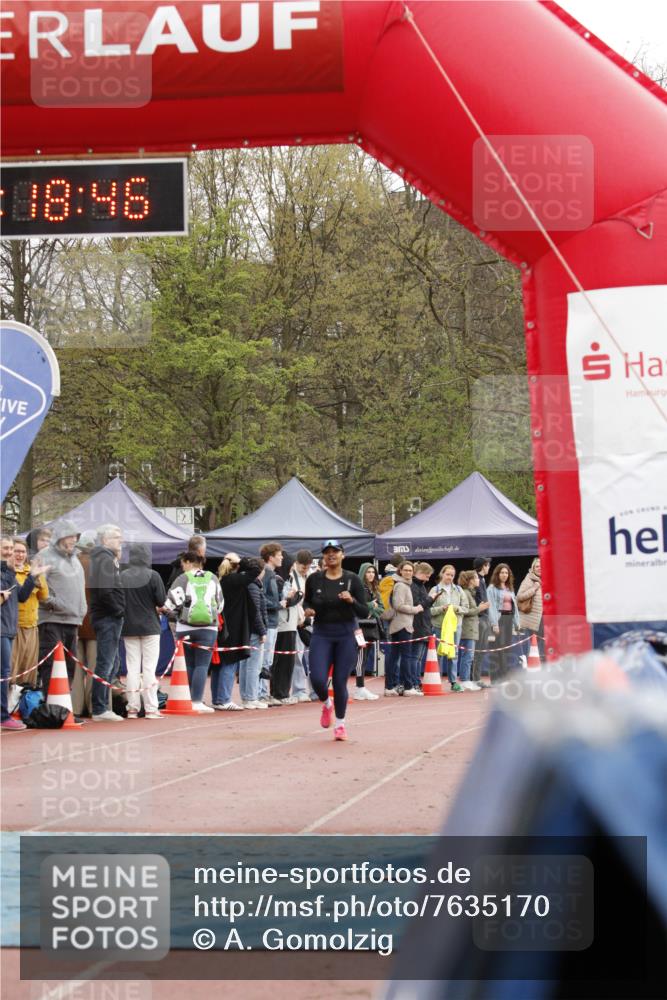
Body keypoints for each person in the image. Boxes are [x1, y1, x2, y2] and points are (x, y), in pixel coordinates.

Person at [303, 539, 368, 741]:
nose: (331, 555)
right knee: (318, 679)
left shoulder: (353, 580)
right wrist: (307, 609)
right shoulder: (314, 579)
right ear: (323, 556)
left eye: (335, 551)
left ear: (343, 555)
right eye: (327, 552)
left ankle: (340, 724)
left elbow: (365, 611)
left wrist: (352, 600)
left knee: (340, 682)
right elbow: (307, 600)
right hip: (322, 632)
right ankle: (327, 704)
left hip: (346, 633)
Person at [163, 550, 223, 712]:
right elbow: (220, 604)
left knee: (188, 664)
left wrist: (176, 614)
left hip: (185, 627)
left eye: (183, 563)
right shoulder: (213, 578)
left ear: (189, 562)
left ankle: (186, 698)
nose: (182, 567)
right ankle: (197, 701)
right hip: (209, 628)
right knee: (202, 665)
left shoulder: (182, 579)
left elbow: (170, 604)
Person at [36, 520, 87, 697]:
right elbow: (38, 587)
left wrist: (81, 609)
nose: (74, 540)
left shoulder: (75, 559)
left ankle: (64, 708)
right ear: (60, 537)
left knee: (69, 666)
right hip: (52, 620)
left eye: (75, 536)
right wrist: (57, 604)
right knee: (52, 666)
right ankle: (52, 708)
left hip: (73, 620)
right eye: (70, 536)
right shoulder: (44, 556)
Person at [1, 536, 47, 731]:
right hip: (2, 629)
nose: (10, 552)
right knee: (4, 673)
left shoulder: (9, 571)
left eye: (12, 548)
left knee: (5, 672)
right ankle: (3, 716)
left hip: (9, 628)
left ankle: (5, 713)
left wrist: (31, 577)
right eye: (6, 548)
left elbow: (20, 596)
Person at [120, 543, 167, 719]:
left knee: (132, 668)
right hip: (150, 626)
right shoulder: (153, 575)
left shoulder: (122, 576)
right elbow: (161, 601)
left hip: (129, 626)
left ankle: (132, 707)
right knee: (149, 668)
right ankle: (151, 708)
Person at [88, 525, 126, 722]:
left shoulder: (104, 559)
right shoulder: (104, 559)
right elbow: (105, 591)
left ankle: (102, 706)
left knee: (111, 662)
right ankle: (100, 708)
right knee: (106, 663)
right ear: (104, 540)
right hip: (107, 617)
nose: (121, 540)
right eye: (116, 537)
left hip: (107, 615)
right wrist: (118, 610)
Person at [214, 552, 252, 711]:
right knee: (230, 662)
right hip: (233, 627)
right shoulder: (234, 580)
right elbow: (254, 569)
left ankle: (217, 698)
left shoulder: (220, 580)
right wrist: (241, 561)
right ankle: (224, 698)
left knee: (219, 664)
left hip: (222, 626)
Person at [10, 537, 49, 688]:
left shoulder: (30, 571)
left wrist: (40, 579)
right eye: (16, 551)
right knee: (12, 668)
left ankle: (23, 704)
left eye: (23, 552)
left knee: (29, 669)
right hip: (15, 626)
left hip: (32, 626)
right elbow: (21, 596)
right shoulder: (9, 573)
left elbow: (44, 596)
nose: (20, 555)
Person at [384, 561, 423, 696]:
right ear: (400, 571)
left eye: (410, 570)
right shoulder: (401, 585)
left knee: (394, 657)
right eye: (405, 570)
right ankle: (408, 687)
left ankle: (389, 688)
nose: (408, 572)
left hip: (398, 625)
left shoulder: (403, 584)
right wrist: (415, 609)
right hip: (403, 625)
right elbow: (398, 605)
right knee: (405, 656)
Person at [71, 530, 98, 718]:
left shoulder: (72, 564)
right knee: (94, 668)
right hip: (95, 623)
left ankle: (76, 707)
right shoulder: (100, 565)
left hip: (75, 621)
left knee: (76, 669)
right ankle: (93, 705)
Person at [429, 565, 465, 691]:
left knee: (453, 653)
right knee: (438, 653)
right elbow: (428, 610)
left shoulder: (459, 590)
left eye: (452, 575)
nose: (449, 577)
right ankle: (436, 679)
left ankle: (453, 681)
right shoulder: (435, 589)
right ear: (442, 574)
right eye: (447, 574)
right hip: (439, 626)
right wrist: (441, 608)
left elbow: (466, 608)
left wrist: (455, 608)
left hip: (455, 626)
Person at [239, 557, 268, 709]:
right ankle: (251, 697)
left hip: (246, 630)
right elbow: (255, 611)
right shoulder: (254, 586)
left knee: (245, 664)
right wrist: (262, 630)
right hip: (254, 631)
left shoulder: (247, 584)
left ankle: (246, 696)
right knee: (253, 665)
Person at [353, 562, 383, 701]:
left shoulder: (375, 589)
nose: (371, 575)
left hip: (370, 627)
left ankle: (361, 687)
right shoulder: (358, 588)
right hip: (358, 628)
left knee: (364, 657)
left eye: (373, 572)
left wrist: (372, 610)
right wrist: (371, 606)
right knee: (360, 656)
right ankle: (359, 688)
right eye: (368, 572)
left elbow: (381, 608)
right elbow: (357, 606)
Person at [487, 562, 520, 683]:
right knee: (497, 649)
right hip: (498, 619)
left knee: (506, 649)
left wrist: (517, 623)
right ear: (497, 574)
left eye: (506, 573)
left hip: (509, 619)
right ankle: (496, 678)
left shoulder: (510, 589)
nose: (505, 575)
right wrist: (494, 624)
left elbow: (514, 606)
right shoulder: (491, 588)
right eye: (502, 572)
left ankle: (504, 676)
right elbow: (491, 607)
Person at [258, 542, 283, 703]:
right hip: (268, 622)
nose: (282, 557)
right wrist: (278, 604)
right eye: (279, 555)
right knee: (264, 660)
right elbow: (261, 598)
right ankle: (261, 694)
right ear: (271, 557)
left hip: (273, 621)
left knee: (268, 660)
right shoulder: (266, 573)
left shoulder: (271, 574)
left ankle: (263, 693)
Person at [456, 570, 489, 691]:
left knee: (469, 655)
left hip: (472, 628)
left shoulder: (470, 593)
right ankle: (465, 680)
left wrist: (478, 608)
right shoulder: (465, 593)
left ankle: (467, 679)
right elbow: (465, 610)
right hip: (467, 628)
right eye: (475, 578)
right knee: (468, 655)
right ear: (470, 580)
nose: (478, 580)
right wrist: (479, 609)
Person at [290, 549, 315, 703]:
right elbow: (294, 601)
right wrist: (302, 618)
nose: (304, 569)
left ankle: (315, 690)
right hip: (297, 622)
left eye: (307, 566)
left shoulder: (313, 576)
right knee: (297, 658)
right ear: (296, 563)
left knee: (314, 658)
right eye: (302, 566)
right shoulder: (291, 577)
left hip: (312, 622)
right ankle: (299, 690)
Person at [412, 562, 435, 683]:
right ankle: (414, 682)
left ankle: (416, 681)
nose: (428, 578)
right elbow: (417, 605)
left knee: (418, 658)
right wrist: (430, 599)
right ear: (420, 573)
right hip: (419, 626)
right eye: (427, 576)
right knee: (416, 658)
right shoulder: (415, 586)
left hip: (424, 625)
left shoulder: (420, 586)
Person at [517, 557, 544, 661]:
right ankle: (533, 666)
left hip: (545, 617)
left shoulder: (547, 579)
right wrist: (534, 588)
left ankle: (543, 665)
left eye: (541, 566)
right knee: (534, 645)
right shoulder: (529, 579)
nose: (539, 568)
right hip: (533, 618)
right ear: (533, 568)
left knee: (544, 643)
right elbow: (519, 596)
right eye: (537, 566)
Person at [472, 557, 491, 688]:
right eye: (487, 565)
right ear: (482, 566)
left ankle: (476, 678)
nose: (488, 567)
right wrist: (480, 607)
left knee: (481, 650)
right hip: (479, 617)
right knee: (477, 650)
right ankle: (474, 679)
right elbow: (473, 597)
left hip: (485, 617)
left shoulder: (483, 580)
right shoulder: (476, 578)